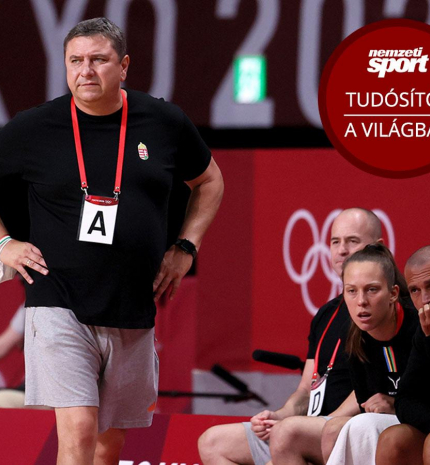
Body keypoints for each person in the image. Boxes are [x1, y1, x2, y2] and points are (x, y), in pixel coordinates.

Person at [0, 17, 223, 465]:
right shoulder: (35, 128)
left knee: (109, 445)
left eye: (98, 60)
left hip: (132, 305)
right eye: (75, 61)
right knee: (80, 432)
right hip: (57, 300)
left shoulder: (162, 121)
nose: (85, 70)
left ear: (123, 66)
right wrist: (5, 244)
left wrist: (186, 247)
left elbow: (210, 181)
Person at [198, 208, 383, 465]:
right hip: (306, 428)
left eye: (352, 241)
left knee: (285, 440)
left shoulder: (380, 307)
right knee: (212, 442)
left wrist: (318, 422)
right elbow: (306, 389)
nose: (342, 250)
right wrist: (281, 415)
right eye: (335, 242)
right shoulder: (325, 313)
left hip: (344, 427)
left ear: (377, 247)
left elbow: (374, 384)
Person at [321, 244, 418, 465]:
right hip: (382, 422)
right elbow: (365, 402)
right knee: (333, 429)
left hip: (419, 421)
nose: (361, 301)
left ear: (393, 293)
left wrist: (394, 404)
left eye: (372, 290)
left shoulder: (418, 328)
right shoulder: (353, 336)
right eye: (351, 291)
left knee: (364, 427)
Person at [375, 246, 430, 465]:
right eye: (415, 290)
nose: (425, 299)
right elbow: (405, 399)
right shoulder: (424, 331)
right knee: (392, 441)